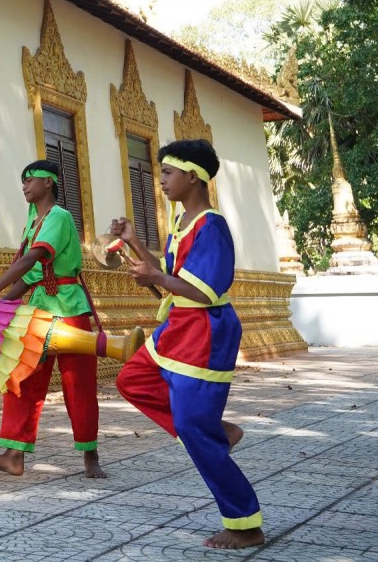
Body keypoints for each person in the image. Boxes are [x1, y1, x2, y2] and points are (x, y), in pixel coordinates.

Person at [112, 139, 263, 550]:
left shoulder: (211, 225)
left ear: (192, 176)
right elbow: (169, 274)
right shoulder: (181, 224)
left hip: (205, 333)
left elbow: (205, 291)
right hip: (179, 327)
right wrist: (133, 242)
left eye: (167, 172)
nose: (159, 180)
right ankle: (215, 431)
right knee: (134, 379)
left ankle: (245, 523)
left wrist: (157, 279)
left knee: (195, 432)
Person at [0, 159, 105, 478]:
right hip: (39, 311)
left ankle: (90, 456)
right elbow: (30, 277)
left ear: (48, 183)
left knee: (78, 385)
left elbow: (32, 259)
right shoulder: (35, 221)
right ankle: (14, 453)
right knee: (22, 377)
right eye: (23, 180)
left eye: (30, 179)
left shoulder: (59, 217)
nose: (25, 185)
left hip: (69, 310)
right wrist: (0, 305)